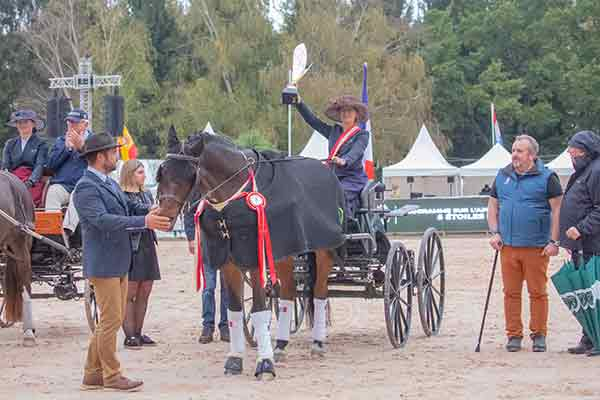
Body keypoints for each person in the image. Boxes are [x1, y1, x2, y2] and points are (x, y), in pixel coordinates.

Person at [73, 132, 171, 392]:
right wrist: (144, 222)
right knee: (111, 321)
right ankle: (112, 374)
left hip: (118, 260)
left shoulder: (108, 183)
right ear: (100, 156)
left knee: (110, 321)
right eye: (113, 152)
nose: (117, 156)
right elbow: (101, 221)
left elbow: (125, 208)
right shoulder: (85, 187)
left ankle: (92, 374)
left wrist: (148, 211)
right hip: (103, 262)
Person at [487, 135, 562, 353]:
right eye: (513, 150)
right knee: (510, 293)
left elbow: (558, 210)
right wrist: (494, 232)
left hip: (536, 248)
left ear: (532, 155)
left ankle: (539, 334)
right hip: (507, 247)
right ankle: (513, 335)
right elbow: (492, 205)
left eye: (520, 151)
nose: (514, 155)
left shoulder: (548, 178)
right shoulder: (502, 175)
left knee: (537, 292)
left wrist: (554, 241)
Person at [558, 130, 600, 355]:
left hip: (593, 244)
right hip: (582, 246)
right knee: (585, 292)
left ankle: (597, 338)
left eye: (572, 150)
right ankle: (589, 337)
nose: (569, 153)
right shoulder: (586, 171)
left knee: (595, 292)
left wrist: (580, 228)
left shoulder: (597, 171)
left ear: (584, 150)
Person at [295, 94, 369, 220]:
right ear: (339, 114)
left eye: (349, 111)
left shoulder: (362, 135)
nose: (346, 114)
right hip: (333, 177)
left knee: (340, 193)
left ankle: (346, 222)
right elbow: (313, 121)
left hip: (352, 179)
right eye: (343, 111)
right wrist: (299, 103)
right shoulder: (333, 132)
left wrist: (344, 160)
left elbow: (356, 152)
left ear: (356, 114)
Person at [118, 160, 161, 349]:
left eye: (143, 172)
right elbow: (132, 211)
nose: (144, 175)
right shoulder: (122, 195)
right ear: (130, 174)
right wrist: (149, 210)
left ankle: (138, 332)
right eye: (140, 172)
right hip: (130, 245)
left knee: (145, 291)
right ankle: (129, 335)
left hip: (147, 243)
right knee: (130, 292)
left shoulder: (147, 194)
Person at [183, 195, 230, 344]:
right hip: (208, 247)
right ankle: (208, 326)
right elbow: (189, 213)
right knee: (208, 288)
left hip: (226, 247)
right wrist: (191, 238)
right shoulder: (200, 192)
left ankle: (225, 326)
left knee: (226, 289)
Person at [45, 109, 92, 237]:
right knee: (53, 191)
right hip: (63, 185)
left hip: (85, 185)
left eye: (75, 122)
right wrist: (67, 149)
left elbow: (98, 162)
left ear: (85, 124)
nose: (71, 125)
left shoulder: (94, 140)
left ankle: (66, 231)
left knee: (77, 195)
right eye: (69, 122)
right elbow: (50, 166)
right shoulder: (60, 141)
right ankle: (53, 232)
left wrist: (82, 147)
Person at [2, 109, 48, 207]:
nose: (22, 125)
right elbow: (5, 165)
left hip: (31, 181)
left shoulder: (41, 144)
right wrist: (8, 180)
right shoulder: (10, 144)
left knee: (28, 202)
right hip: (13, 179)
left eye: (25, 122)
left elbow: (39, 165)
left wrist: (31, 181)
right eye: (19, 122)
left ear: (33, 124)